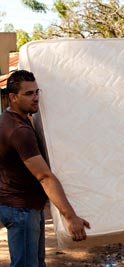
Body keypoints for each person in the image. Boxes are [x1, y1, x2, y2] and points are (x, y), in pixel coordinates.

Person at [0, 70, 90, 267]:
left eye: (36, 92)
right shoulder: (19, 130)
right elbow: (44, 177)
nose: (36, 98)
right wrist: (70, 216)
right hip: (21, 209)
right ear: (13, 97)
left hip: (23, 206)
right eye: (29, 94)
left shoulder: (13, 119)